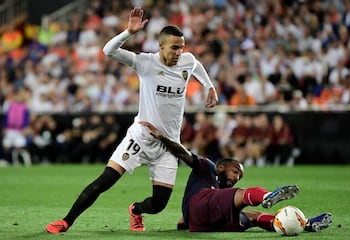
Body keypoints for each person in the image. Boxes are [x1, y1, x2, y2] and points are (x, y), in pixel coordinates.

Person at [45, 6, 218, 233]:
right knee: (105, 180)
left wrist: (209, 86)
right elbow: (108, 51)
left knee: (158, 205)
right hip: (141, 137)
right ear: (161, 46)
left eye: (181, 48)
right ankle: (66, 221)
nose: (178, 52)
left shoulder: (187, 61)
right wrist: (128, 32)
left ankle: (136, 210)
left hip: (169, 146)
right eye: (174, 48)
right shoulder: (146, 63)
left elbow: (196, 65)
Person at [140, 121, 332, 233]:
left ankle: (303, 224)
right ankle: (267, 197)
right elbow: (184, 154)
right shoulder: (208, 168)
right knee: (240, 194)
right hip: (202, 204)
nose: (237, 176)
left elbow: (182, 222)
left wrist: (185, 222)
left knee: (254, 217)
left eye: (240, 175)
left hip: (204, 223)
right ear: (221, 167)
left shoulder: (220, 193)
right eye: (235, 171)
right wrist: (163, 138)